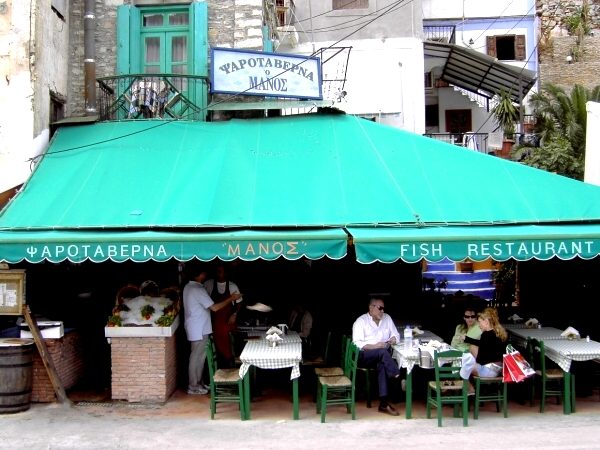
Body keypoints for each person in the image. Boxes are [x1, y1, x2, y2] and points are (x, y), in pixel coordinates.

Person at [183, 263, 235, 395]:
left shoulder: (188, 287)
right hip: (199, 329)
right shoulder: (197, 289)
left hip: (196, 327)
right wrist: (231, 298)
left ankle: (199, 383)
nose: (205, 275)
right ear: (199, 275)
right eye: (203, 273)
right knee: (196, 358)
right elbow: (215, 307)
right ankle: (193, 386)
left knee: (199, 357)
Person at [352, 298, 401, 416]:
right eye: (380, 308)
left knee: (382, 364)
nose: (382, 311)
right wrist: (374, 346)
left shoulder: (387, 318)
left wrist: (394, 338)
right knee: (382, 352)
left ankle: (383, 404)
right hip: (364, 356)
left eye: (383, 308)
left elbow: (396, 334)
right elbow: (357, 343)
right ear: (371, 308)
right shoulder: (361, 321)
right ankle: (396, 374)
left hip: (381, 357)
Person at [204, 263, 243, 366]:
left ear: (226, 273)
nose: (218, 274)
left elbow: (239, 303)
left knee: (229, 347)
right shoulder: (209, 284)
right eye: (217, 271)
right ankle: (219, 369)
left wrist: (234, 314)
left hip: (227, 322)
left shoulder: (232, 286)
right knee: (216, 347)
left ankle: (231, 366)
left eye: (220, 272)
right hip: (214, 322)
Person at [459, 307, 508, 387]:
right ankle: (471, 387)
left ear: (486, 322)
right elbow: (483, 344)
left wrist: (472, 360)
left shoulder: (485, 335)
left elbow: (480, 359)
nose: (478, 325)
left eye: (479, 322)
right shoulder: (498, 333)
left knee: (464, 365)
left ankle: (469, 388)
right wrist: (467, 339)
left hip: (488, 372)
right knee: (470, 357)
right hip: (500, 370)